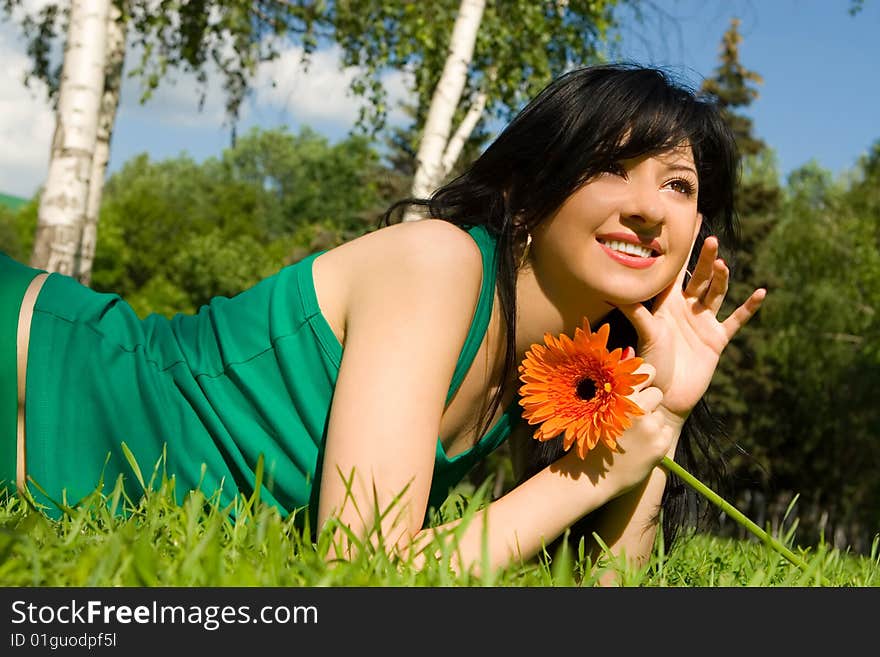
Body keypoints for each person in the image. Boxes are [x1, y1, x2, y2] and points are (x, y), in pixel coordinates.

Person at [1, 63, 765, 579]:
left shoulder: (552, 368)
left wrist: (658, 410)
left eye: (677, 184)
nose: (648, 206)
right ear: (531, 191)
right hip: (34, 370)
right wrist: (586, 473)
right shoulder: (439, 265)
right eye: (611, 166)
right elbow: (359, 565)